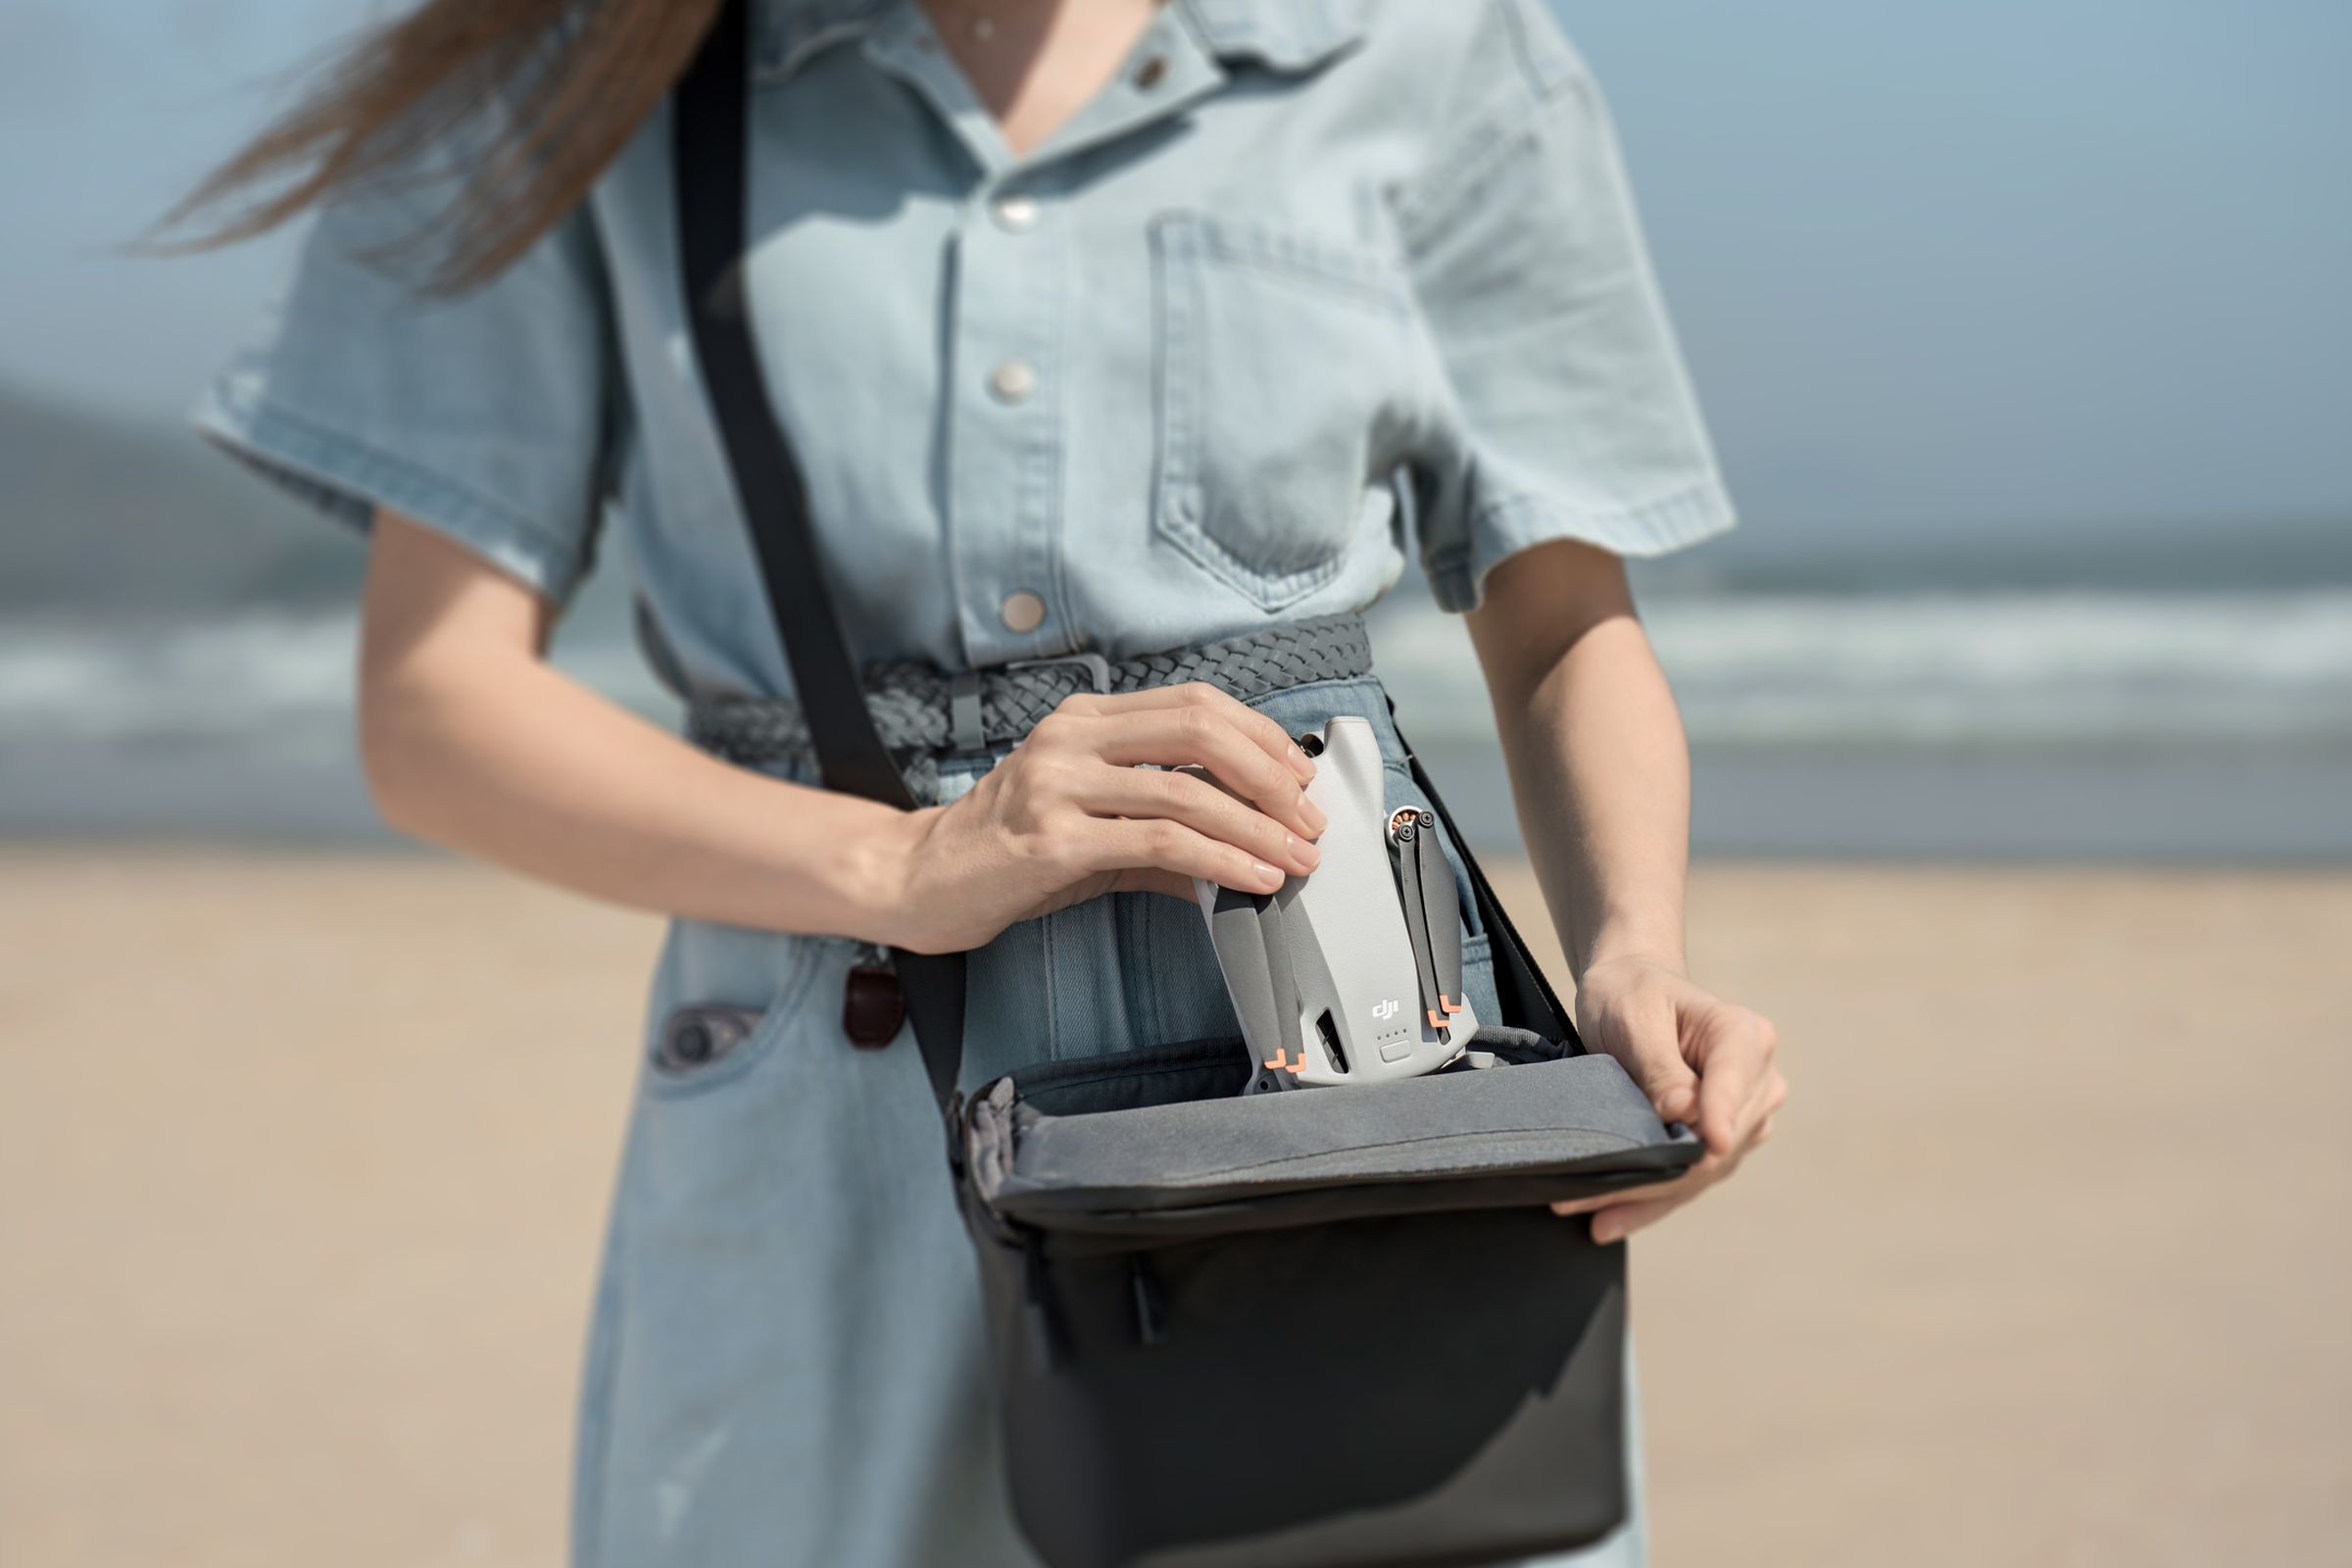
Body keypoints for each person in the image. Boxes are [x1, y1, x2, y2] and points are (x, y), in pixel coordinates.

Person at [174, 0, 1787, 1562]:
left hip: (1356, 1060)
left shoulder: (1426, 43)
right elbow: (437, 710)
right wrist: (905, 864)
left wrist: (1636, 951)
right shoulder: (574, 68)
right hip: (833, 1087)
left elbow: (1565, 618)